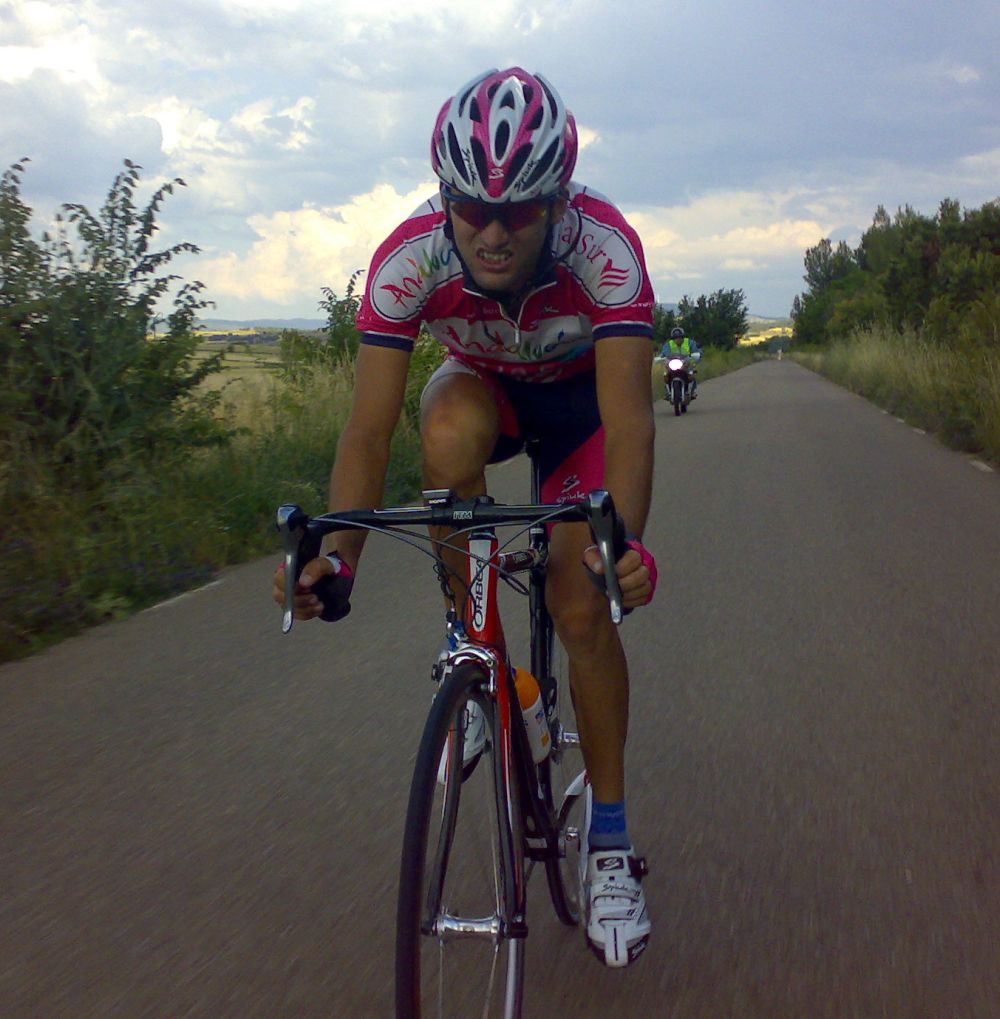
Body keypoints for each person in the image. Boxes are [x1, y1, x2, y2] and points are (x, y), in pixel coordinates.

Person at [273, 67, 658, 967]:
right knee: (441, 430)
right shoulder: (410, 257)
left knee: (579, 607)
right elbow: (368, 430)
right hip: (489, 397)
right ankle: (477, 648)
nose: (490, 232)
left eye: (518, 212)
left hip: (584, 415)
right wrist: (339, 559)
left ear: (556, 202)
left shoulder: (605, 248)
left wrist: (621, 547)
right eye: (470, 207)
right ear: (444, 196)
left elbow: (632, 421)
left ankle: (609, 843)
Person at [660, 325, 701, 397]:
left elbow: (697, 351)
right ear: (673, 338)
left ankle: (692, 390)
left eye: (680, 337)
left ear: (683, 337)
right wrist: (661, 358)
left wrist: (697, 356)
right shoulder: (668, 344)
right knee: (666, 374)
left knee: (691, 373)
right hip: (672, 363)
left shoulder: (690, 342)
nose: (678, 339)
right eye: (675, 338)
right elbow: (663, 354)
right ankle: (668, 390)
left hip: (686, 362)